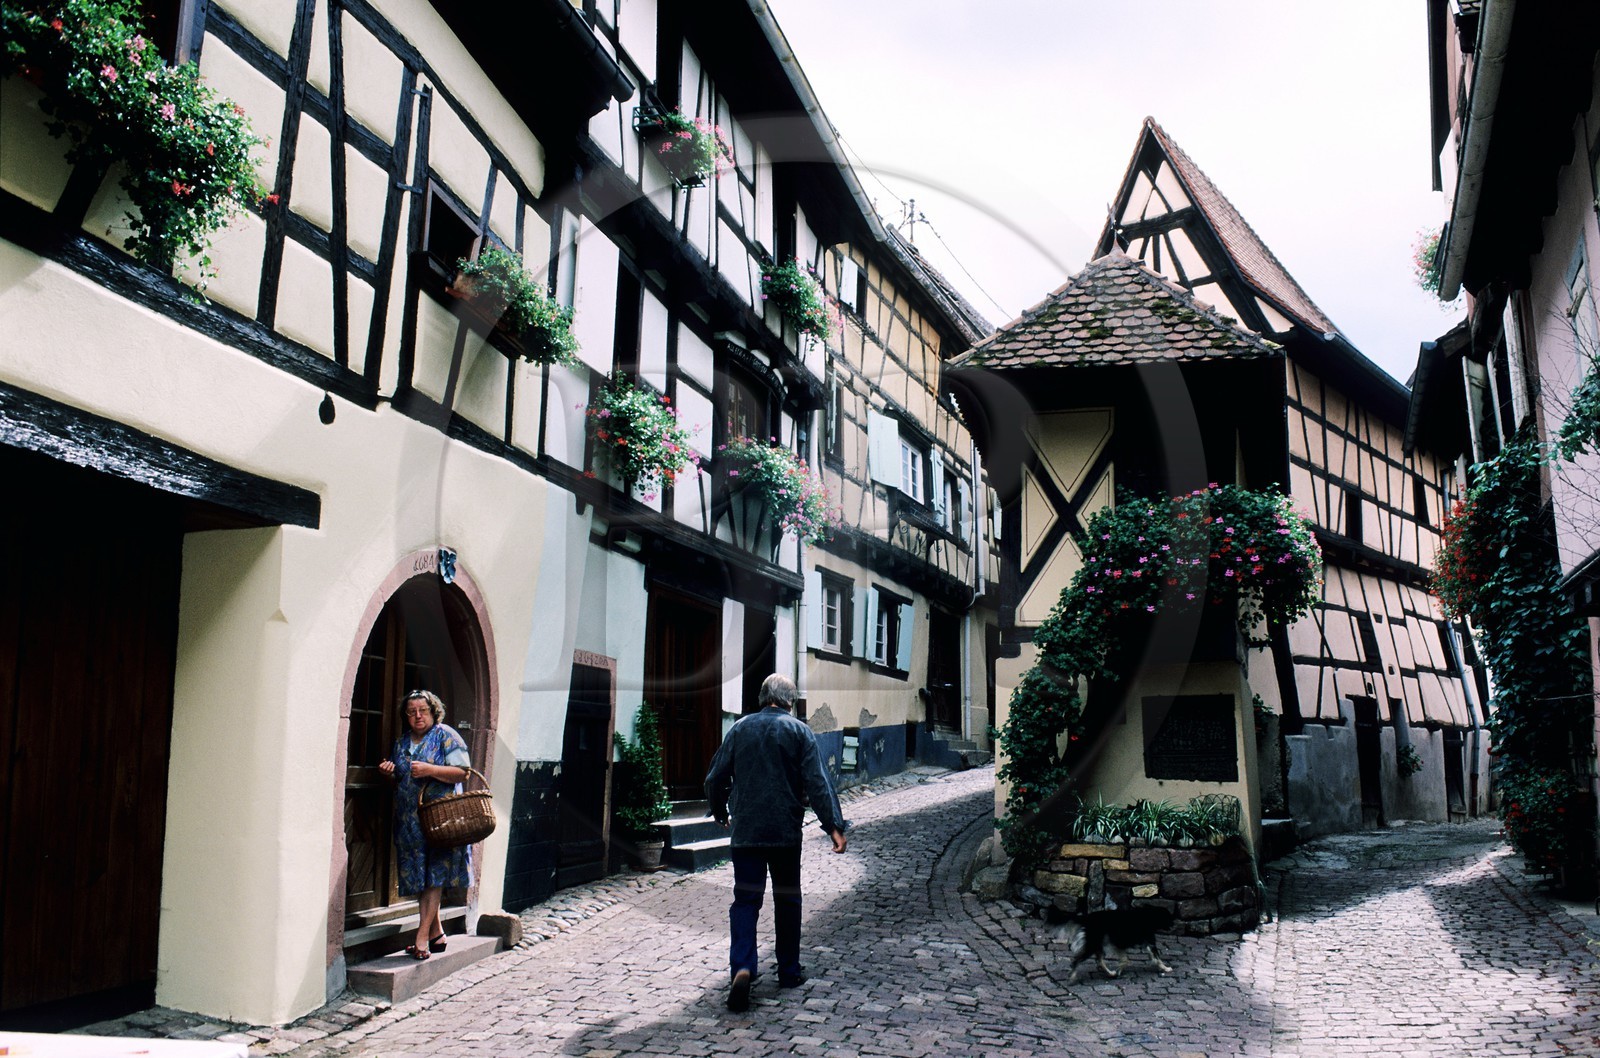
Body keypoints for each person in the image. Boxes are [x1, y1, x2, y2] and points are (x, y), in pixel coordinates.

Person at [705, 673, 847, 1012]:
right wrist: (834, 827)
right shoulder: (800, 732)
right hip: (784, 832)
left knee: (745, 900)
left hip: (747, 831)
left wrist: (719, 809)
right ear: (789, 702)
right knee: (787, 900)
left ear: (762, 697)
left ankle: (742, 966)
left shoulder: (740, 729)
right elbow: (817, 783)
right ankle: (788, 971)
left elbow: (715, 776)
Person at [378, 689, 472, 960]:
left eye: (423, 710)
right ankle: (438, 934)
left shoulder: (446, 735)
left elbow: (463, 771)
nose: (417, 716)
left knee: (435, 877)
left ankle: (421, 939)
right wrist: (390, 773)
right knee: (422, 878)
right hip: (410, 821)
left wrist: (431, 770)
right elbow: (402, 778)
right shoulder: (402, 742)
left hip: (440, 819)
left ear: (433, 712)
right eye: (411, 712)